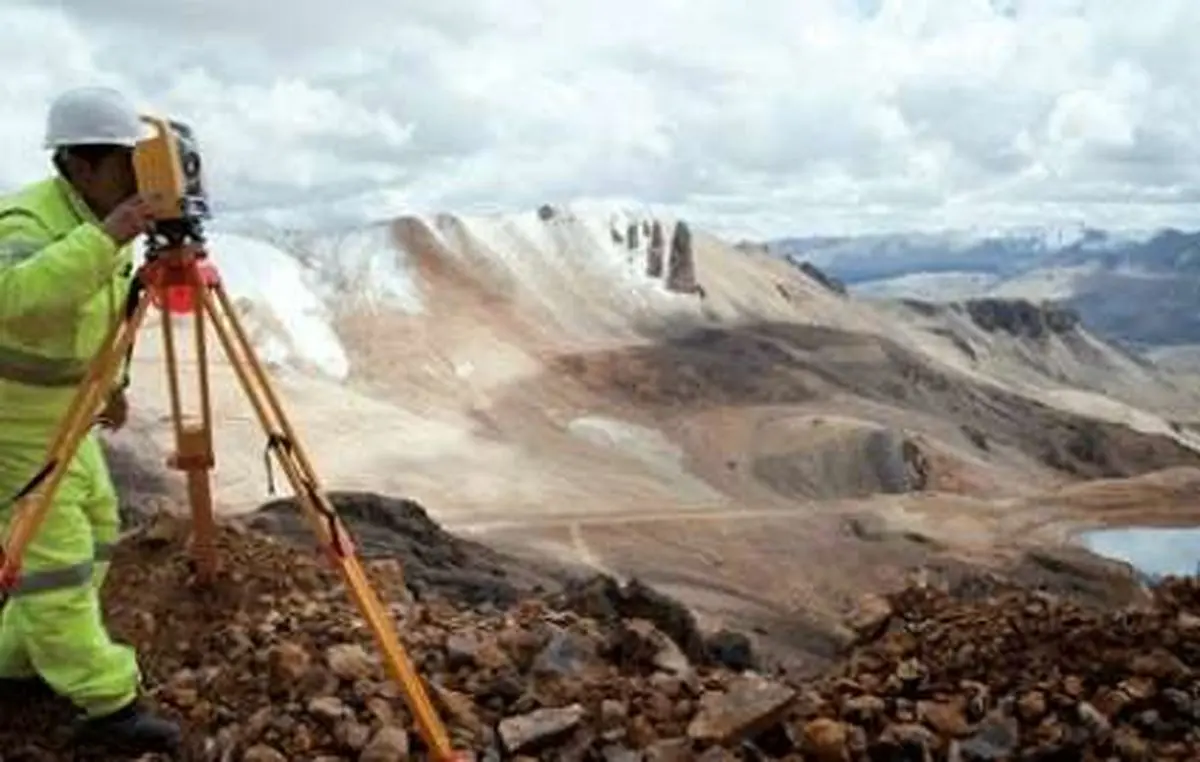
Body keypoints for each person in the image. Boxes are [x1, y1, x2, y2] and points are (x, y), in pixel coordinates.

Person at [0, 86, 181, 753]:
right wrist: (105, 237)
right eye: (126, 165)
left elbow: (108, 315)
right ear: (80, 163)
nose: (139, 181)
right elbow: (16, 301)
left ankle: (18, 659)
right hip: (12, 424)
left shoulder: (103, 216)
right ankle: (110, 705)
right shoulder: (25, 220)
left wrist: (115, 386)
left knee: (101, 525)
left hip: (67, 419)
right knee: (56, 561)